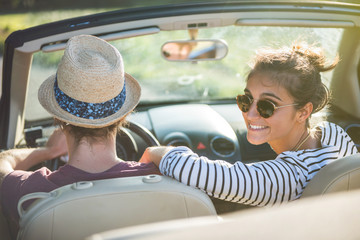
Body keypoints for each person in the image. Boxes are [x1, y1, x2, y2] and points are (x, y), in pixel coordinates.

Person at [140, 42, 358, 207]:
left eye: (267, 106)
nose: (250, 114)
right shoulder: (333, 135)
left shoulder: (289, 177)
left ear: (303, 112)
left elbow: (216, 176)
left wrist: (156, 152)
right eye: (246, 100)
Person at [0, 35, 160, 238]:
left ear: (57, 118)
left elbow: (2, 166)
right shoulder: (162, 179)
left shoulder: (29, 192)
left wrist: (47, 151)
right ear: (123, 115)